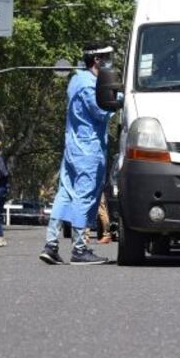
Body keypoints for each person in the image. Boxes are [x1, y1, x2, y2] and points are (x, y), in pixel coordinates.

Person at [40, 44, 116, 265]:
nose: (111, 62)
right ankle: (80, 249)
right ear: (97, 60)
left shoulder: (75, 79)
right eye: (108, 58)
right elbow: (102, 112)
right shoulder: (90, 85)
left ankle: (51, 245)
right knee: (85, 196)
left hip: (72, 148)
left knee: (64, 194)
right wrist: (119, 100)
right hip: (88, 149)